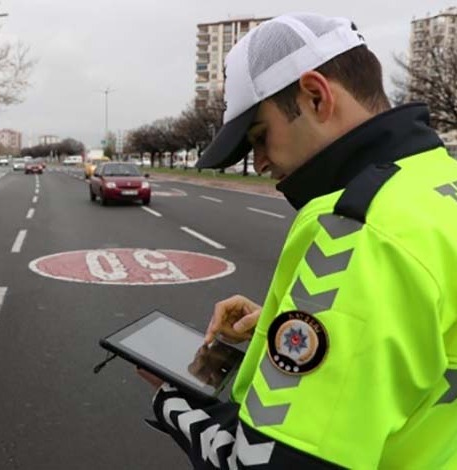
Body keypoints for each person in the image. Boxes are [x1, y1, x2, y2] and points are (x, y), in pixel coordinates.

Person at [139, 13, 457, 469]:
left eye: (260, 137)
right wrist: (280, 329)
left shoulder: (360, 229)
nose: (261, 162)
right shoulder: (439, 182)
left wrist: (171, 401)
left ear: (315, 96)